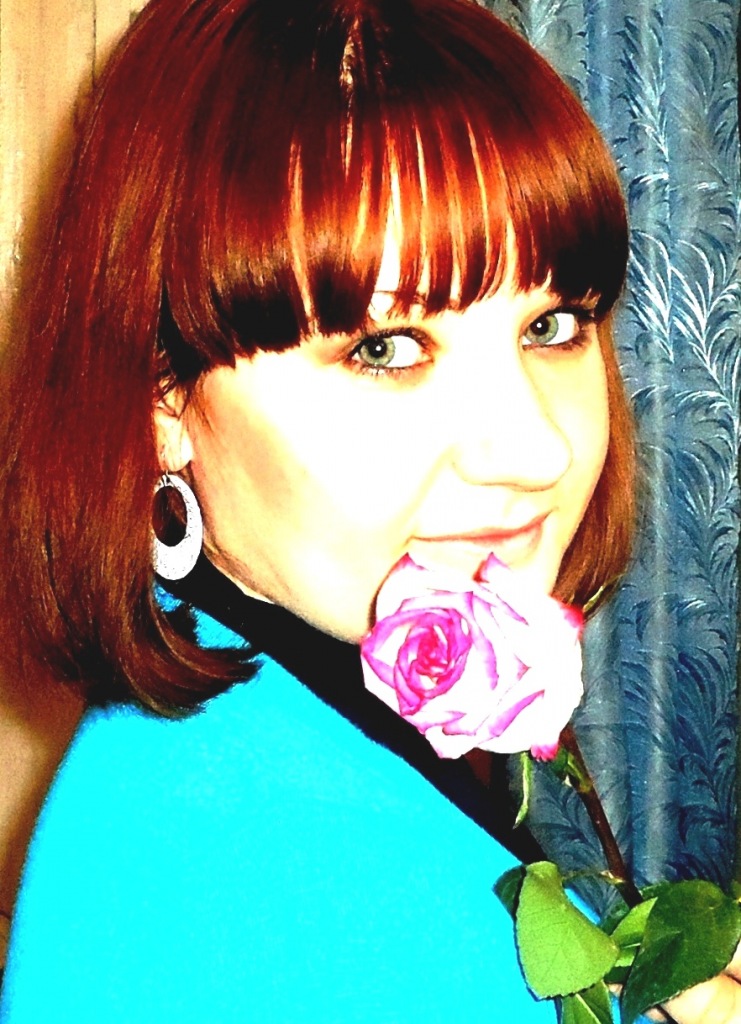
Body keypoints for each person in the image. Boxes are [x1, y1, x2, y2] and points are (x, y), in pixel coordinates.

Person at [0, 0, 734, 1019]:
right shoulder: (226, 868)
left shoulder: (292, 722)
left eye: (553, 325)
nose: (541, 449)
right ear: (162, 401)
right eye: (385, 348)